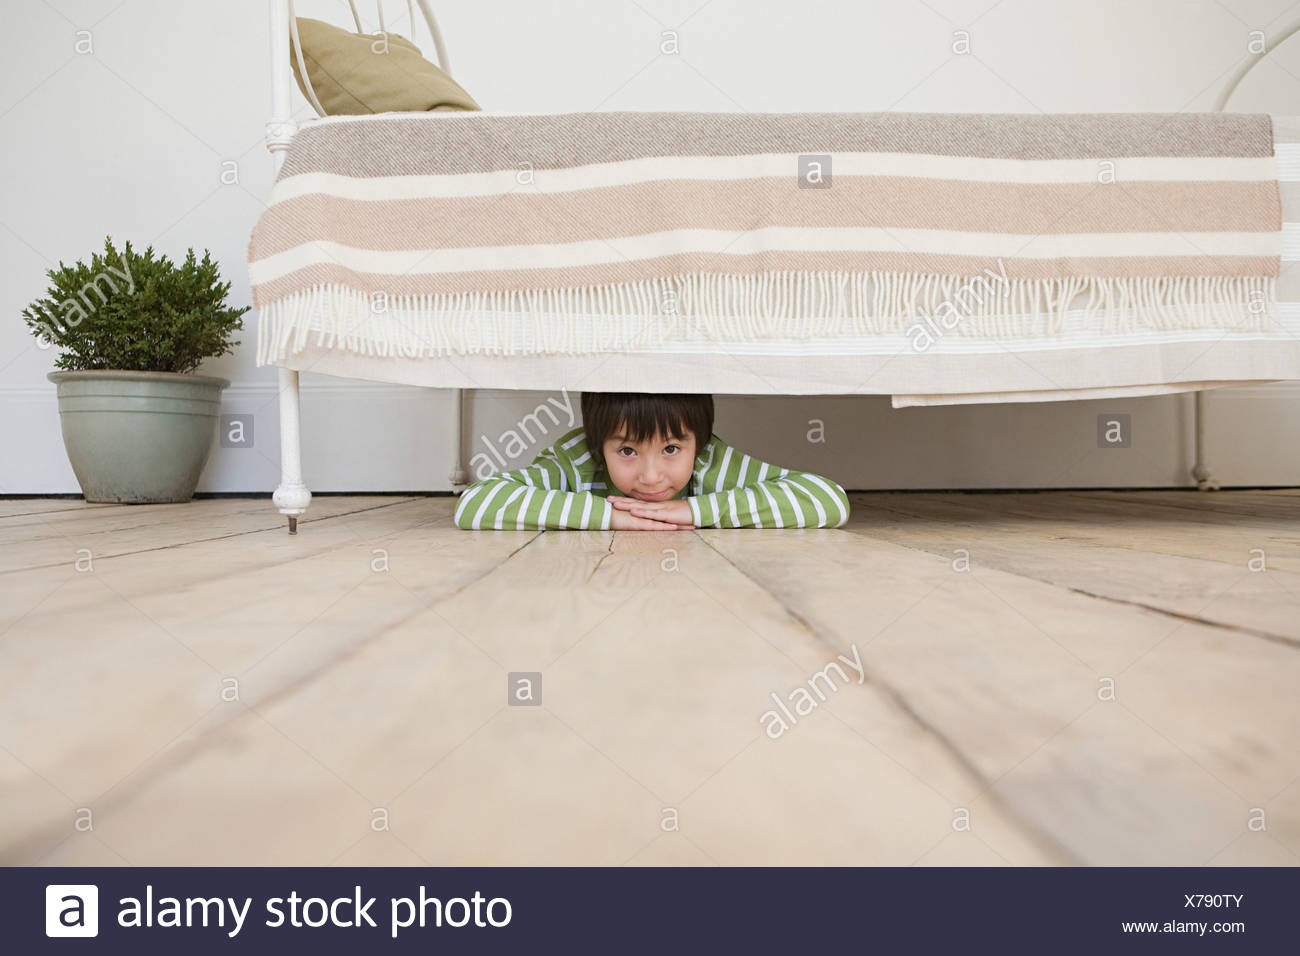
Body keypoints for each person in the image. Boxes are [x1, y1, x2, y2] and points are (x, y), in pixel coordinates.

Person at [454, 392, 850, 531]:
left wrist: (693, 509)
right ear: (598, 445)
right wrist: (614, 518)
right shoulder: (576, 460)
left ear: (697, 442)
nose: (651, 476)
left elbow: (827, 500)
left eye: (671, 449)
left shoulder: (708, 460)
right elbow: (475, 503)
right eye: (627, 451)